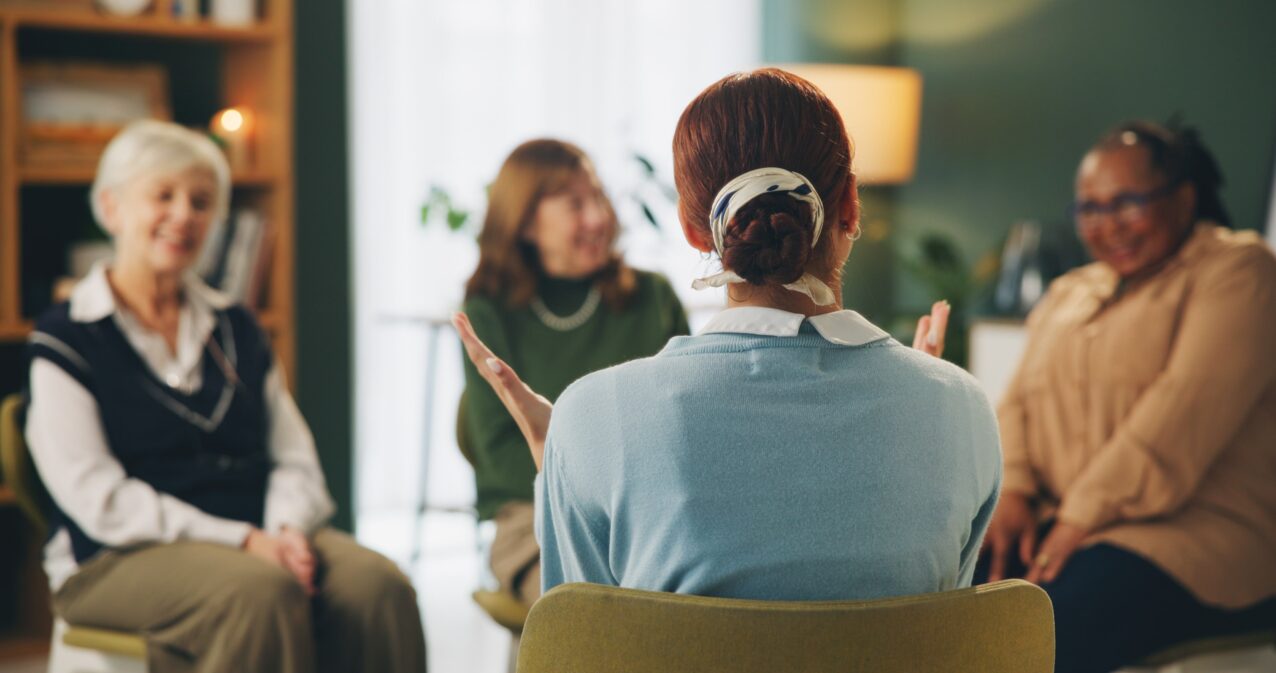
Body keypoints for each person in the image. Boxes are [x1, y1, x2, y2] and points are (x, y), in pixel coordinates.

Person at [454, 68, 999, 602]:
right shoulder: (965, 410)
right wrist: (931, 404)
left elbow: (583, 646)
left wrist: (573, 461)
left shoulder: (593, 416)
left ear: (692, 230)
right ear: (851, 206)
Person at [24, 120, 426, 673]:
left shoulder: (237, 326)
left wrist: (287, 533)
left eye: (201, 201)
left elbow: (293, 456)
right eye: (162, 195)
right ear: (111, 208)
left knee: (380, 587)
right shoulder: (65, 339)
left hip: (259, 535)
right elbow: (100, 500)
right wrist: (241, 541)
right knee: (260, 593)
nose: (184, 214)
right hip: (116, 557)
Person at [980, 121, 1276, 673]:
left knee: (1041, 631)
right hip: (1069, 523)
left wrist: (1081, 518)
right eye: (1089, 208)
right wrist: (1014, 488)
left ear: (1183, 198)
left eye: (1127, 203)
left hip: (1197, 537)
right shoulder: (1071, 291)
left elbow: (1179, 412)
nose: (1106, 225)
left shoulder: (1242, 271)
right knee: (954, 598)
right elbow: (1016, 401)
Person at [459, 138, 689, 607]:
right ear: (524, 222)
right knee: (587, 613)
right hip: (530, 518)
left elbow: (685, 424)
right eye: (575, 204)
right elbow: (502, 453)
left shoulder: (653, 297)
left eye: (598, 197)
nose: (599, 218)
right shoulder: (489, 312)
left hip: (651, 517)